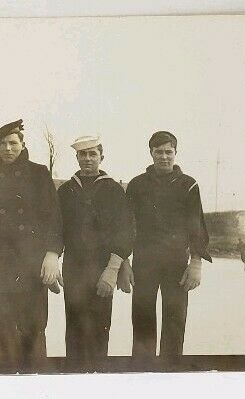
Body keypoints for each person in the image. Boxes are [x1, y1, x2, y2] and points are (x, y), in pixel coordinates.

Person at [0, 119, 63, 370]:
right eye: (3, 144)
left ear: (22, 144)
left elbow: (54, 218)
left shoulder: (39, 173)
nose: (8, 148)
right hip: (3, 264)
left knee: (34, 331)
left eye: (13, 143)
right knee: (5, 334)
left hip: (33, 266)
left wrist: (52, 254)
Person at [123, 131, 212, 362]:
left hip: (176, 264)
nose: (164, 157)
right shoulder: (136, 185)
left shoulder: (188, 185)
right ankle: (142, 371)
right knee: (142, 319)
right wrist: (124, 262)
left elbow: (196, 225)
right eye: (158, 152)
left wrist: (196, 263)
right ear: (151, 153)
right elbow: (126, 226)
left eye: (168, 152)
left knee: (175, 320)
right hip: (144, 263)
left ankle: (171, 372)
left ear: (175, 152)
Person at [57, 136, 134, 370]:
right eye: (83, 154)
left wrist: (112, 271)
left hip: (102, 268)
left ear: (102, 156)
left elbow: (125, 231)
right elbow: (56, 229)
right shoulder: (67, 190)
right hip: (74, 269)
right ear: (77, 157)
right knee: (74, 326)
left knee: (99, 327)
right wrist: (53, 260)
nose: (88, 159)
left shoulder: (113, 190)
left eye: (93, 154)